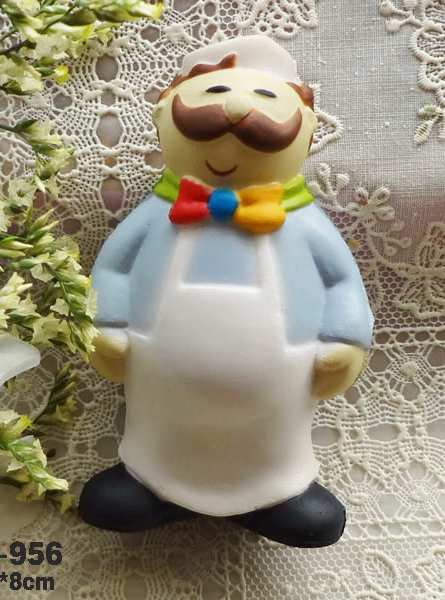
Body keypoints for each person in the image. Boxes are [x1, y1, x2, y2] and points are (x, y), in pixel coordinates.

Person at [79, 35, 373, 548]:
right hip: (161, 390)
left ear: (307, 132)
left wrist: (346, 341)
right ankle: (151, 485)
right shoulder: (156, 216)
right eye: (213, 93)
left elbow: (342, 281)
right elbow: (114, 271)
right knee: (159, 437)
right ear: (164, 117)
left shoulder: (304, 225)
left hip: (278, 395)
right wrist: (105, 326)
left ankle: (277, 495)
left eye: (266, 101)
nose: (235, 110)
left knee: (279, 455)